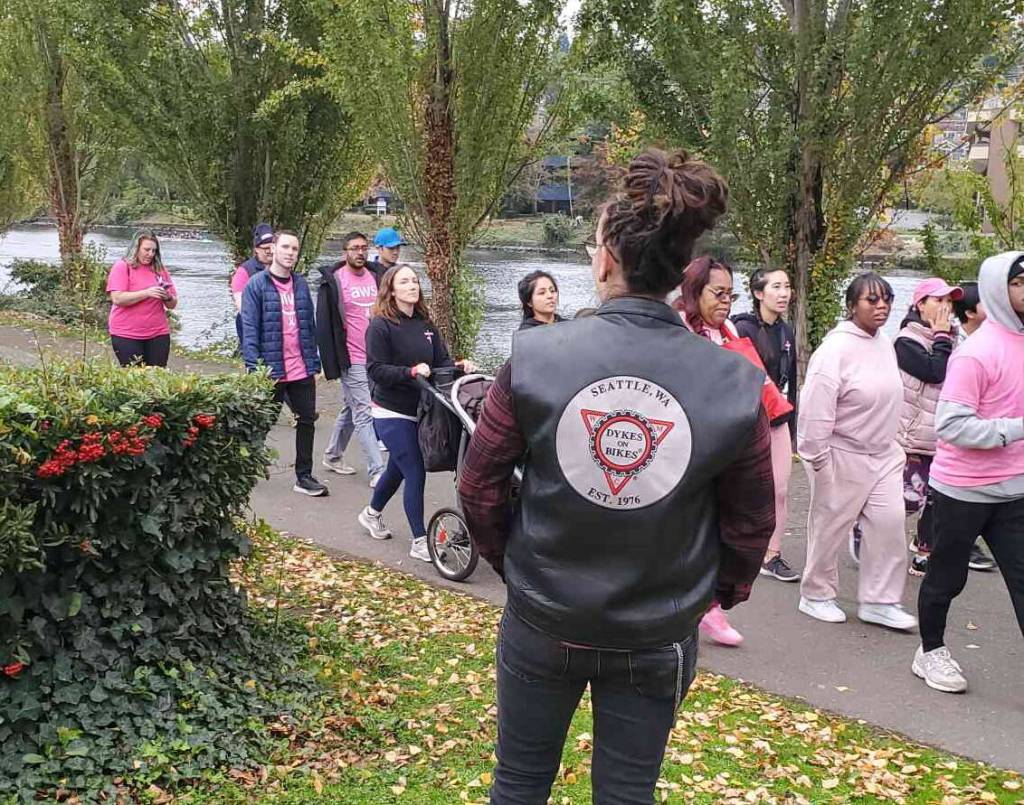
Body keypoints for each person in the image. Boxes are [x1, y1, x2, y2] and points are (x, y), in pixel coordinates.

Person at [457, 148, 775, 804]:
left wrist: (516, 565)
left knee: (517, 785)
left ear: (604, 259)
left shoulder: (535, 356)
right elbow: (751, 527)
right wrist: (705, 597)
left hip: (542, 618)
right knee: (628, 794)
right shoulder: (737, 382)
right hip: (656, 632)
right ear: (682, 270)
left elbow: (478, 486)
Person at [913, 252, 1024, 693]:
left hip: (1014, 489)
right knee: (947, 576)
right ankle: (930, 650)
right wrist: (1017, 429)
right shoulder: (976, 354)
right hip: (963, 491)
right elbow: (952, 425)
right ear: (1000, 288)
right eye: (1020, 282)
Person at [797, 272, 917, 630]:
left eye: (887, 299)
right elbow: (815, 405)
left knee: (889, 524)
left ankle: (880, 600)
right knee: (830, 526)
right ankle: (815, 594)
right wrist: (817, 457)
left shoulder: (883, 342)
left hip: (883, 453)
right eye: (872, 300)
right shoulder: (835, 349)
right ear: (852, 306)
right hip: (841, 452)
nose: (882, 306)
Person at [358, 265, 471, 561]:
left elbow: (441, 362)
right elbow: (376, 370)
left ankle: (371, 513)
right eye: (404, 281)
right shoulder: (380, 326)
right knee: (414, 471)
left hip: (422, 410)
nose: (412, 285)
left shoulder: (425, 324)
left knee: (398, 467)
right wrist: (409, 372)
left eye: (414, 281)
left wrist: (459, 366)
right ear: (391, 289)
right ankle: (420, 540)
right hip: (389, 411)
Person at [673, 257, 749, 646]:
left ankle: (707, 603)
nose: (726, 302)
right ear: (693, 291)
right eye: (718, 293)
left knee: (714, 528)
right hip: (684, 447)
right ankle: (697, 607)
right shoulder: (677, 329)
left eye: (730, 295)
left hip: (723, 445)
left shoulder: (730, 330)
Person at [241, 230, 327, 497]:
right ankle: (245, 469)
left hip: (300, 368)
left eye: (295, 249)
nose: (291, 253)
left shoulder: (300, 284)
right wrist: (255, 369)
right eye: (286, 247)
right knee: (261, 423)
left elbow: (308, 326)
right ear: (273, 250)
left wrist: (315, 361)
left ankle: (304, 476)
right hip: (270, 370)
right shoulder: (256, 285)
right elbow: (250, 330)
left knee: (306, 421)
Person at [732, 268, 800, 583]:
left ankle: (771, 555)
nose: (784, 293)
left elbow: (792, 383)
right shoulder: (741, 328)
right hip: (747, 421)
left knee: (781, 490)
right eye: (776, 287)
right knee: (741, 488)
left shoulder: (785, 331)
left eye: (787, 286)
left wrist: (794, 426)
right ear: (759, 293)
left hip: (778, 419)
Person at [893, 278, 963, 576]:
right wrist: (942, 337)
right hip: (912, 436)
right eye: (938, 301)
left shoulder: (953, 340)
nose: (945, 308)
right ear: (920, 304)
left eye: (950, 302)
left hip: (943, 436)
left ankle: (923, 553)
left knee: (936, 502)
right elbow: (934, 372)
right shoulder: (906, 341)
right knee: (909, 499)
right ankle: (866, 529)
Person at [316, 232, 386, 486]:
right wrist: (328, 362)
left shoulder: (377, 276)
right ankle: (377, 470)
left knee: (352, 406)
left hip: (375, 356)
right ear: (345, 251)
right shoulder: (334, 281)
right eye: (354, 248)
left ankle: (333, 455)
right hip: (351, 356)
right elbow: (324, 324)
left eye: (364, 248)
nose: (360, 252)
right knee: (364, 411)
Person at [949, 283, 997, 573]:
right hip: (957, 437)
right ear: (969, 312)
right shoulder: (958, 348)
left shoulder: (997, 343)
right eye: (984, 305)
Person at [106, 230, 178, 367]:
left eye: (153, 251)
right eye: (146, 250)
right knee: (135, 377)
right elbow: (117, 298)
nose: (150, 254)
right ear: (136, 248)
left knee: (158, 377)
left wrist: (167, 297)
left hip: (158, 333)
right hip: (126, 334)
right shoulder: (122, 267)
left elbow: (172, 305)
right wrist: (146, 293)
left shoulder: (160, 270)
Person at [230, 223, 274, 343]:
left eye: (272, 247)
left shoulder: (282, 270)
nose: (270, 252)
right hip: (251, 326)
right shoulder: (244, 271)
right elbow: (241, 305)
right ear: (256, 249)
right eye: (266, 249)